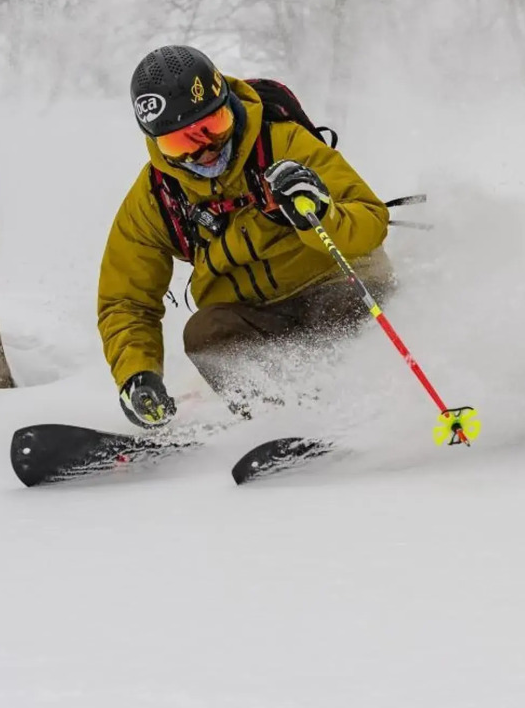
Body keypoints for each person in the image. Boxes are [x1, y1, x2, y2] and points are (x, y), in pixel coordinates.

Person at [97, 45, 392, 428]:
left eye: (211, 127)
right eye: (180, 143)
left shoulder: (283, 144)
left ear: (228, 106)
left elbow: (371, 220)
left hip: (334, 285)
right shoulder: (157, 195)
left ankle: (364, 402)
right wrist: (136, 373)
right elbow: (125, 299)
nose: (203, 149)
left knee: (334, 312)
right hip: (256, 316)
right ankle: (275, 420)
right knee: (206, 334)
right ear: (156, 143)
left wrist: (323, 212)